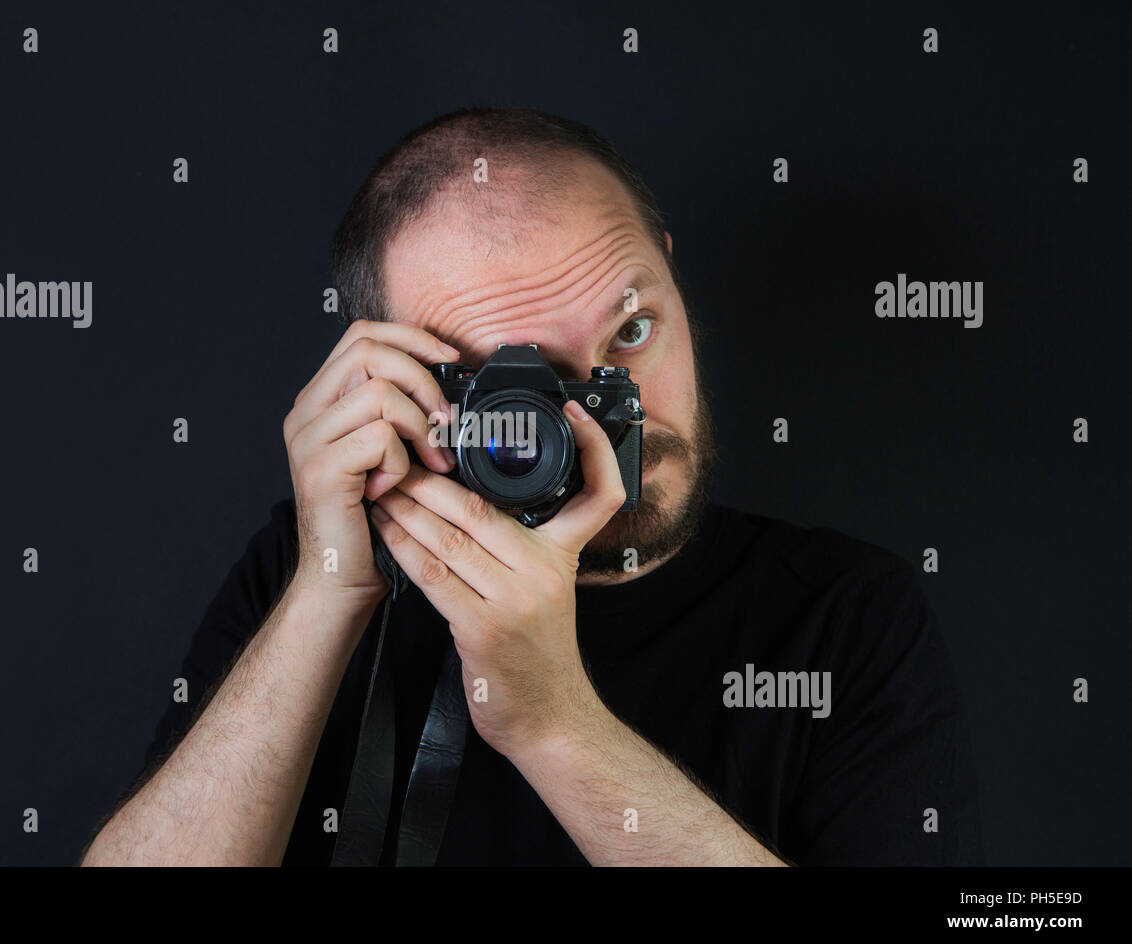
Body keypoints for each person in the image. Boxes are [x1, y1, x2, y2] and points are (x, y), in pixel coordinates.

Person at [81, 106, 983, 866]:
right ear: (396, 387)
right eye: (525, 390)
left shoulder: (842, 615)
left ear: (670, 270)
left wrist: (555, 724)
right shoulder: (316, 563)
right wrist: (331, 594)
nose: (607, 419)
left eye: (632, 331)